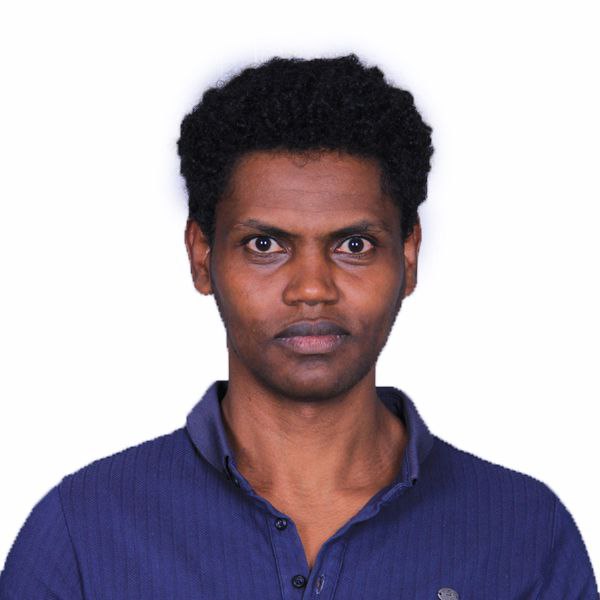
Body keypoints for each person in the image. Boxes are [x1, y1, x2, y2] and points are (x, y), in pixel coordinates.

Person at [0, 54, 597, 600]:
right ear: (201, 256)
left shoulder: (526, 534)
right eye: (265, 245)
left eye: (354, 245)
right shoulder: (84, 532)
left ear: (409, 256)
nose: (312, 288)